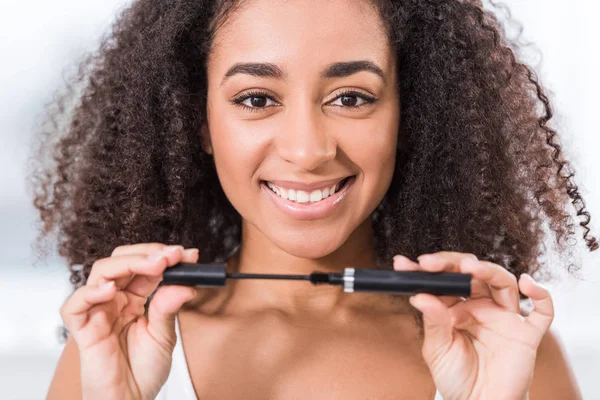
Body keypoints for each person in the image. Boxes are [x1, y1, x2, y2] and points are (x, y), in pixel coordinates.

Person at [30, 0, 596, 398]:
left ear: (410, 114)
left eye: (351, 97)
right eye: (255, 99)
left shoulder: (505, 351)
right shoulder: (110, 354)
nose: (307, 150)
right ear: (197, 121)